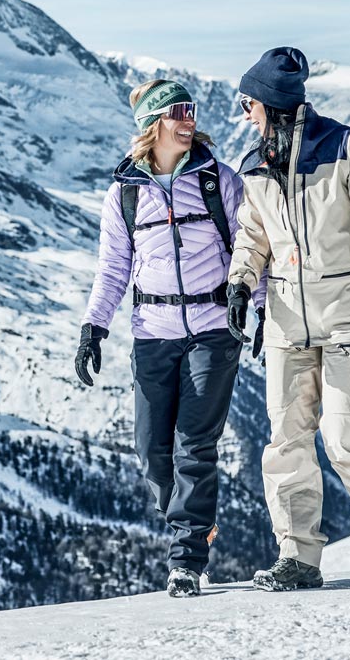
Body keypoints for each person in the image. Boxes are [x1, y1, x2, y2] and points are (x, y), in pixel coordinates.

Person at [224, 46, 350, 590]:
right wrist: (240, 285)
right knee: (286, 440)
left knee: (342, 431)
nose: (244, 114)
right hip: (287, 320)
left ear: (268, 102)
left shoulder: (347, 148)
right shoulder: (254, 164)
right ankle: (298, 555)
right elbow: (253, 235)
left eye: (247, 104)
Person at [77, 79, 244, 598]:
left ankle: (186, 559)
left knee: (194, 443)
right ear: (153, 124)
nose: (189, 119)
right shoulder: (125, 193)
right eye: (177, 111)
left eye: (191, 109)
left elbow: (249, 250)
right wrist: (93, 328)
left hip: (213, 330)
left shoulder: (219, 180)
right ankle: (191, 521)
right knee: (151, 451)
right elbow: (112, 268)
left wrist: (257, 309)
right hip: (153, 333)